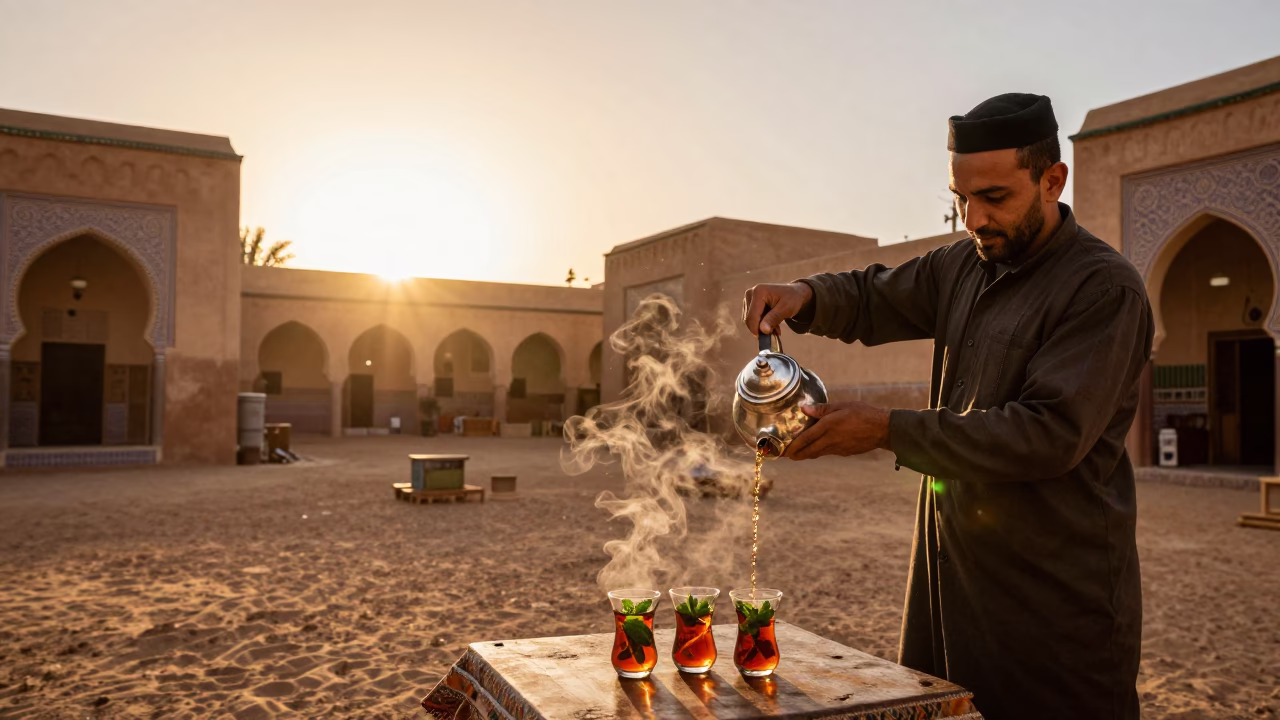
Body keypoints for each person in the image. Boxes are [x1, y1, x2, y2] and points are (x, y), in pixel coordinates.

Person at [742, 93, 1151, 720]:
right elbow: (877, 296)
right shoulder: (965, 264)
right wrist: (805, 295)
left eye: (994, 197)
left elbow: (1047, 434)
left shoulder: (1102, 288)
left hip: (1055, 611)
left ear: (1052, 180)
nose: (973, 218)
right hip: (947, 588)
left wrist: (886, 430)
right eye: (960, 198)